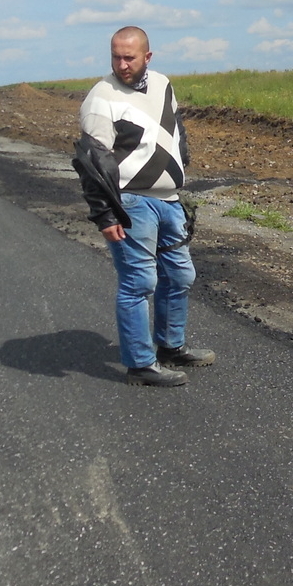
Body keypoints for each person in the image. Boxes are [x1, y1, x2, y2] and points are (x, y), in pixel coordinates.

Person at [74, 26, 214, 387]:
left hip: (169, 202)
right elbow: (91, 162)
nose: (122, 64)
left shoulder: (164, 84)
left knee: (181, 276)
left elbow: (175, 130)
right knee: (139, 282)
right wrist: (105, 215)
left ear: (147, 57)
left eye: (129, 57)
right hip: (132, 203)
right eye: (115, 57)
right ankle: (140, 364)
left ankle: (170, 346)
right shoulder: (100, 98)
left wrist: (181, 167)